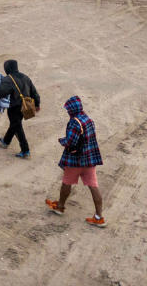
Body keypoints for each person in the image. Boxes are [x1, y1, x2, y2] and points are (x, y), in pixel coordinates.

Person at [45, 96, 105, 227]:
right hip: (89, 160)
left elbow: (71, 141)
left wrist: (62, 141)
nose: (67, 112)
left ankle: (60, 206)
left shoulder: (74, 122)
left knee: (66, 183)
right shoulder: (88, 120)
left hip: (75, 161)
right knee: (93, 186)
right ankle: (99, 216)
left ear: (72, 110)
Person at [0, 59, 41, 158]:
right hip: (26, 106)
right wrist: (37, 104)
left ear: (7, 68)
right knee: (15, 124)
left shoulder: (8, 79)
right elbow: (34, 92)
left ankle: (25, 150)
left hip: (14, 107)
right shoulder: (25, 77)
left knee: (17, 126)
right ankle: (6, 141)